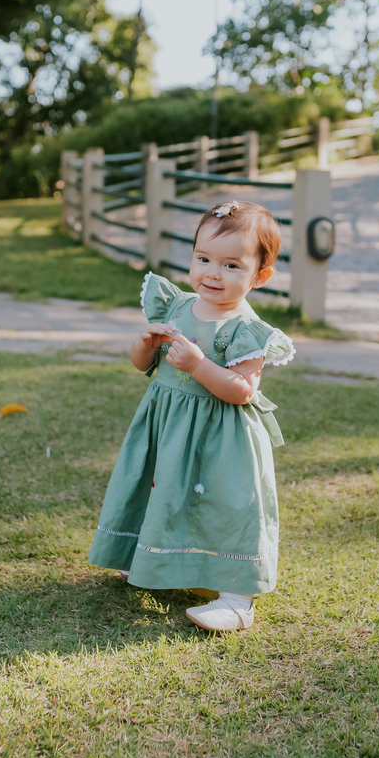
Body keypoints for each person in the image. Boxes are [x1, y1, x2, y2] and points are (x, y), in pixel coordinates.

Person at [87, 200, 295, 632]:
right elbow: (142, 362)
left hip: (221, 440)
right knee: (165, 491)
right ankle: (152, 561)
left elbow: (242, 391)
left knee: (224, 505)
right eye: (203, 259)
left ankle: (238, 598)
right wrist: (145, 343)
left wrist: (200, 365)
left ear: (260, 275)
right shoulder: (178, 306)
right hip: (168, 428)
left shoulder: (247, 329)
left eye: (231, 265)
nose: (212, 273)